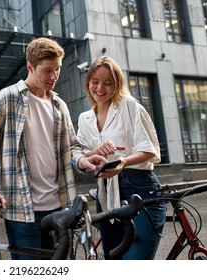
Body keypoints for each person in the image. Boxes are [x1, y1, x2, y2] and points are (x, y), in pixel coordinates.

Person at [0, 37, 107, 260]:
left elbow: (72, 147)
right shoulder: (6, 99)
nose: (54, 76)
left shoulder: (59, 105)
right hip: (21, 208)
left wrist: (83, 161)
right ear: (30, 67)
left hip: (59, 206)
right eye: (47, 70)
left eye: (57, 69)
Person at [76, 56, 167, 260]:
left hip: (140, 188)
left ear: (117, 84)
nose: (100, 88)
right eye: (95, 81)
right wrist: (96, 151)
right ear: (88, 82)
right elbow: (79, 154)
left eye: (108, 82)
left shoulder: (129, 105)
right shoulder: (84, 119)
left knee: (135, 261)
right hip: (106, 192)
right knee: (113, 260)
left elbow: (150, 149)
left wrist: (123, 162)